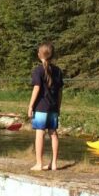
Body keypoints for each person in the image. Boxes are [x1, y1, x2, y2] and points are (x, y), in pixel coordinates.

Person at [28, 42, 64, 171]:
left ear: (40, 55)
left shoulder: (38, 70)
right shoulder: (58, 70)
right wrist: (58, 107)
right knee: (53, 133)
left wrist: (31, 106)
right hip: (54, 107)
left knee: (40, 134)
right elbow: (60, 92)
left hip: (41, 107)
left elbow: (36, 88)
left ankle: (39, 163)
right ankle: (54, 163)